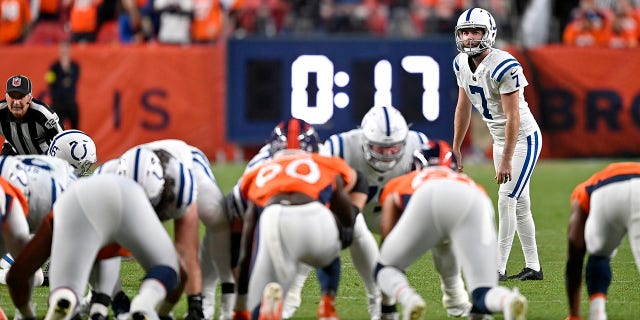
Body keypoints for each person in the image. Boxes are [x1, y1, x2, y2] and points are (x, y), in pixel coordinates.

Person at [285, 105, 471, 319]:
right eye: (380, 148)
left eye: (393, 148)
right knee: (316, 228)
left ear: (404, 141)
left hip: (401, 211)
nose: (387, 154)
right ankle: (291, 296)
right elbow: (318, 188)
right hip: (354, 210)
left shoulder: (418, 143)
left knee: (443, 229)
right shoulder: (340, 146)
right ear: (364, 140)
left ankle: (455, 296)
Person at [7, 147, 195, 320]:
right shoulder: (138, 194)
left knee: (67, 288)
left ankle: (64, 297)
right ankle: (144, 303)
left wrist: (27, 314)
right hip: (126, 203)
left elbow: (17, 275)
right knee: (167, 267)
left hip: (72, 201)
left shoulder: (93, 177)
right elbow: (180, 273)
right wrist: (164, 311)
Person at [374, 140, 528, 320]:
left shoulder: (404, 181)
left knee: (385, 268)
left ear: (416, 164)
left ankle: (409, 300)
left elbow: (387, 233)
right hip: (475, 200)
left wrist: (387, 305)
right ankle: (506, 300)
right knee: (482, 291)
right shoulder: (468, 181)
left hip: (427, 195)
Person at [451, 7, 543, 281]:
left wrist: (505, 157)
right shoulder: (460, 63)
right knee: (521, 202)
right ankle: (533, 267)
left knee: (507, 199)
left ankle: (497, 268)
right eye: (465, 32)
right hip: (500, 141)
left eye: (475, 32)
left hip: (523, 138)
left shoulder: (505, 65)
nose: (469, 38)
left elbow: (513, 116)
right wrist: (456, 145)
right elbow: (462, 107)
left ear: (488, 33)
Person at [233, 118, 357, 320]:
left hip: (273, 219)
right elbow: (346, 213)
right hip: (314, 215)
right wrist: (344, 233)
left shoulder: (258, 172)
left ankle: (264, 309)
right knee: (329, 255)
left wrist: (239, 306)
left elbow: (247, 246)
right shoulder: (324, 164)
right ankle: (327, 302)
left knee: (260, 295)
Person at [565, 162, 640, 320]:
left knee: (599, 254)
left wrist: (574, 315)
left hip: (606, 192)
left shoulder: (584, 189)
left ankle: (597, 312)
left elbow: (574, 248)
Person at [1, 75, 64, 155]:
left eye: (21, 97)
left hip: (43, 157)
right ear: (6, 97)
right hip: (14, 153)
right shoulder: (1, 111)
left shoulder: (43, 114)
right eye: (12, 96)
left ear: (30, 98)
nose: (16, 102)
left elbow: (62, 142)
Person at [45, 42, 81, 130]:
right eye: (63, 51)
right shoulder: (53, 67)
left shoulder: (75, 66)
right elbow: (51, 83)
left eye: (66, 51)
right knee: (57, 129)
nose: (64, 53)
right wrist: (64, 81)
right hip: (57, 103)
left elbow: (74, 80)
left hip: (70, 102)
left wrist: (63, 77)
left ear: (70, 52)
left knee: (75, 129)